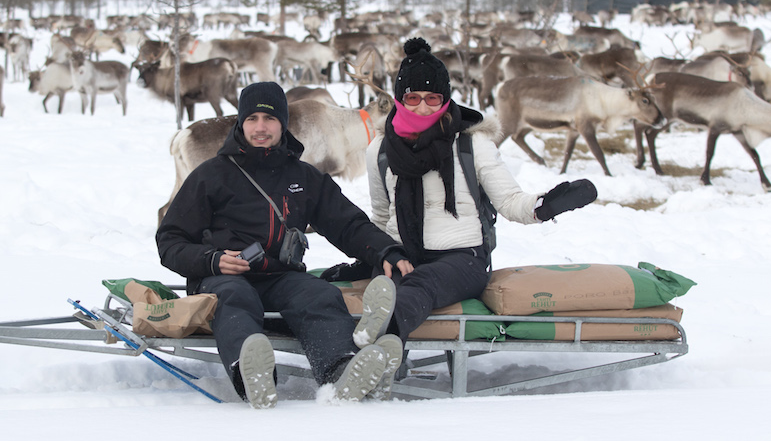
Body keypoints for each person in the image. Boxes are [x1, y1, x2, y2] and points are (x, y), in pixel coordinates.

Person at [156, 81, 406, 408]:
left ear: (283, 123)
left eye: (270, 119)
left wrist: (384, 250)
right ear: (240, 123)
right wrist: (212, 260)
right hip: (222, 278)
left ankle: (341, 372)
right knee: (235, 298)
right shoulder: (211, 175)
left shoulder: (304, 176)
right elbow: (170, 240)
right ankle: (252, 375)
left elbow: (348, 223)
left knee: (318, 294)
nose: (261, 127)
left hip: (281, 277)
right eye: (252, 119)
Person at [363, 37, 597, 342]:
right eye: (413, 98)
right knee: (388, 283)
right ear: (399, 100)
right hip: (404, 253)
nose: (422, 107)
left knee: (419, 285)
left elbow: (510, 201)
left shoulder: (471, 145)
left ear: (446, 100)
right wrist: (384, 254)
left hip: (463, 259)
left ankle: (377, 345)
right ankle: (379, 360)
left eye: (432, 98)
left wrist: (544, 206)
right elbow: (381, 215)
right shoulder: (380, 151)